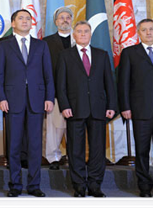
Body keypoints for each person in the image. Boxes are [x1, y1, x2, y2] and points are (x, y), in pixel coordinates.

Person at [0, 10, 54, 198]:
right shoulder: (3, 46)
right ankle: (15, 184)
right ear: (13, 23)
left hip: (37, 101)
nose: (25, 21)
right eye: (21, 18)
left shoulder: (41, 45)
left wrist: (49, 98)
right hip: (12, 101)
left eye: (28, 18)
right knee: (14, 145)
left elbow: (48, 75)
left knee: (35, 145)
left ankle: (34, 185)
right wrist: (1, 98)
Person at [56, 20, 116, 199]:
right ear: (74, 35)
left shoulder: (102, 55)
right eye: (79, 31)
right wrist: (65, 105)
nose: (82, 34)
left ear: (91, 34)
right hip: (74, 109)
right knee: (75, 149)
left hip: (98, 109)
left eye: (86, 31)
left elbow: (109, 83)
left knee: (98, 149)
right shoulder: (65, 56)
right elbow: (61, 85)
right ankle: (79, 185)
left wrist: (112, 105)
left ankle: (95, 185)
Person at [118, 19, 153, 199]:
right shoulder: (129, 53)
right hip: (140, 109)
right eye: (144, 30)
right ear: (138, 32)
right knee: (142, 150)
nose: (148, 32)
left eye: (151, 29)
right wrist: (125, 107)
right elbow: (123, 83)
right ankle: (144, 186)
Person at [43, 7, 74, 170]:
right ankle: (53, 158)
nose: (65, 20)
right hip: (55, 91)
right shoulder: (46, 42)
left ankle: (74, 156)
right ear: (56, 22)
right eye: (61, 18)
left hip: (77, 94)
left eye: (68, 17)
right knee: (55, 127)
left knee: (75, 127)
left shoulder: (79, 40)